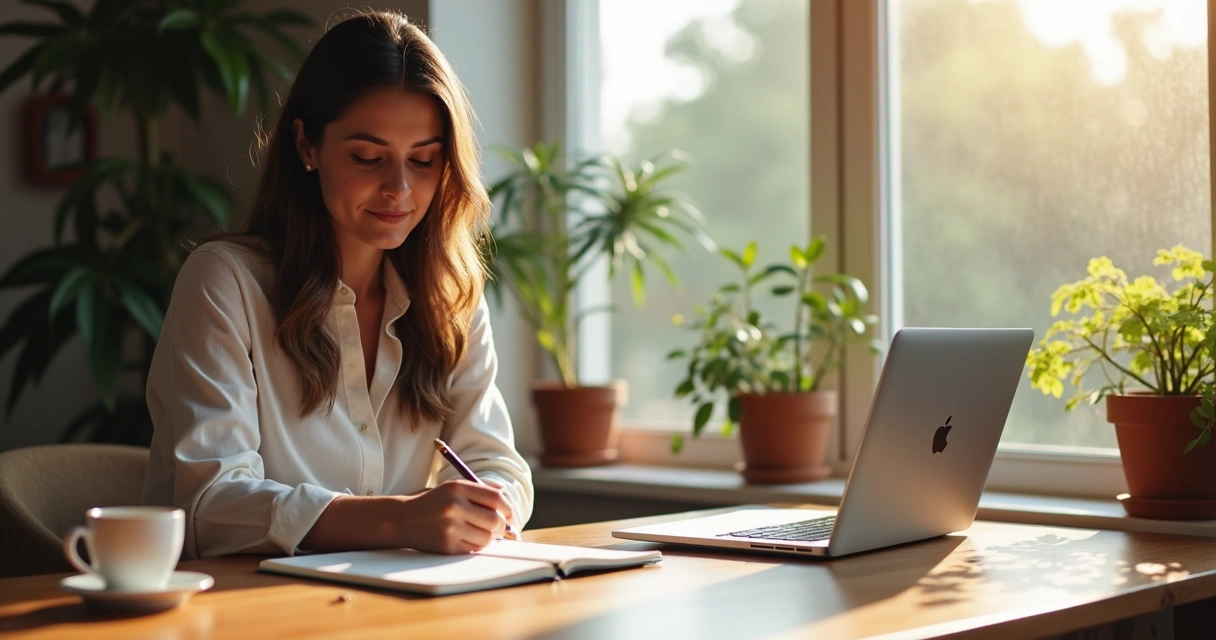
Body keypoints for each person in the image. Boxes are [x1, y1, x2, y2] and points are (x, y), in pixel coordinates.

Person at [141, 9, 533, 559]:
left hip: (393, 606)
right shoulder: (225, 282)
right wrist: (397, 520)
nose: (399, 188)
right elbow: (212, 503)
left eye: (423, 161)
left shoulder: (449, 294)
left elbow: (496, 464)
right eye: (368, 157)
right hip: (240, 607)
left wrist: (491, 503)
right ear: (306, 146)